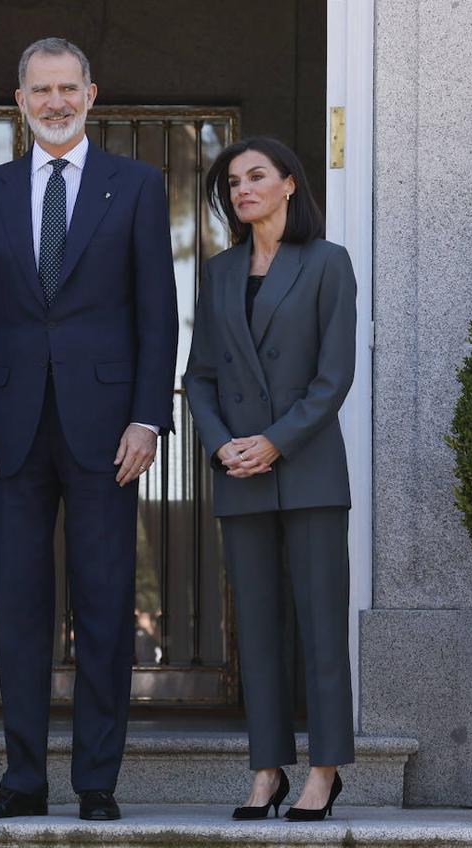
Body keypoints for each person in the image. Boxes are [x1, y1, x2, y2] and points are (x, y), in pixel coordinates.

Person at [0, 38, 178, 821]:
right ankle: (22, 779)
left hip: (109, 428)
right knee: (18, 607)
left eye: (67, 88)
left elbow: (158, 315)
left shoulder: (137, 186)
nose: (54, 101)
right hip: (8, 431)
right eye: (40, 90)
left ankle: (95, 782)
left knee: (107, 603)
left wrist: (149, 416)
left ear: (91, 94)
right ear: (19, 100)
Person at [183, 136, 356, 821]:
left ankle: (324, 770)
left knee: (320, 625)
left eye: (256, 177)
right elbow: (198, 375)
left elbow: (333, 376)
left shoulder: (328, 264)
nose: (241, 189)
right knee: (254, 629)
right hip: (240, 474)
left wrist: (275, 443)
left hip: (308, 468)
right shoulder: (220, 272)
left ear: (290, 184)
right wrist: (224, 444)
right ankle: (265, 771)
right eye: (231, 182)